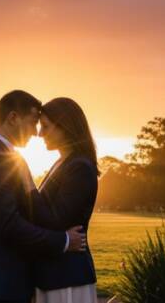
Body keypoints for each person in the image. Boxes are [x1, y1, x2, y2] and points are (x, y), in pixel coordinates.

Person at [0, 90, 87, 303]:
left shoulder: (3, 156)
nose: (35, 132)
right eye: (33, 122)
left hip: (8, 277)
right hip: (2, 279)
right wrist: (64, 240)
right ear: (13, 118)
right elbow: (10, 224)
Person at [28, 97, 100, 303]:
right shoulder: (63, 162)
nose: (40, 133)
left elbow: (56, 220)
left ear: (65, 128)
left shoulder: (80, 167)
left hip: (68, 275)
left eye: (46, 126)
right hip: (53, 273)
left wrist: (27, 184)